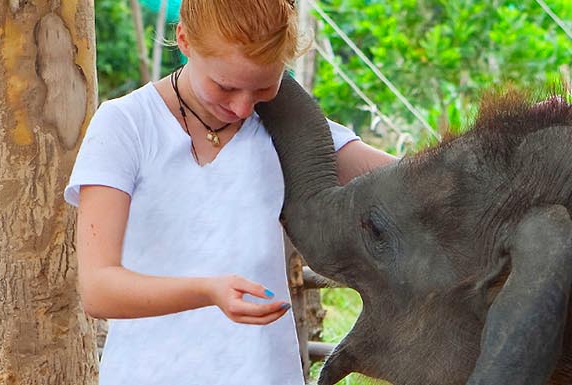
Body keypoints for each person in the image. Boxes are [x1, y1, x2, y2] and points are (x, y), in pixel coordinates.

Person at [63, 0, 395, 383]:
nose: (241, 107)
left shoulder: (288, 126)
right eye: (224, 87)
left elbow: (411, 180)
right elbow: (99, 289)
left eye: (262, 88)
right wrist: (208, 291)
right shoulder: (125, 125)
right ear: (184, 39)